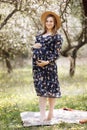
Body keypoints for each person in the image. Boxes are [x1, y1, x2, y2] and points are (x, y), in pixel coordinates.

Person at [32, 11, 63, 122]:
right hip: (38, 68)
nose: (49, 23)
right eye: (47, 21)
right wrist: (33, 47)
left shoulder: (57, 37)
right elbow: (35, 48)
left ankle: (50, 112)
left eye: (51, 21)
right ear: (45, 23)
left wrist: (47, 61)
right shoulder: (39, 36)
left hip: (49, 67)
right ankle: (42, 115)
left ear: (54, 23)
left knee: (51, 90)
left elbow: (57, 53)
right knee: (41, 90)